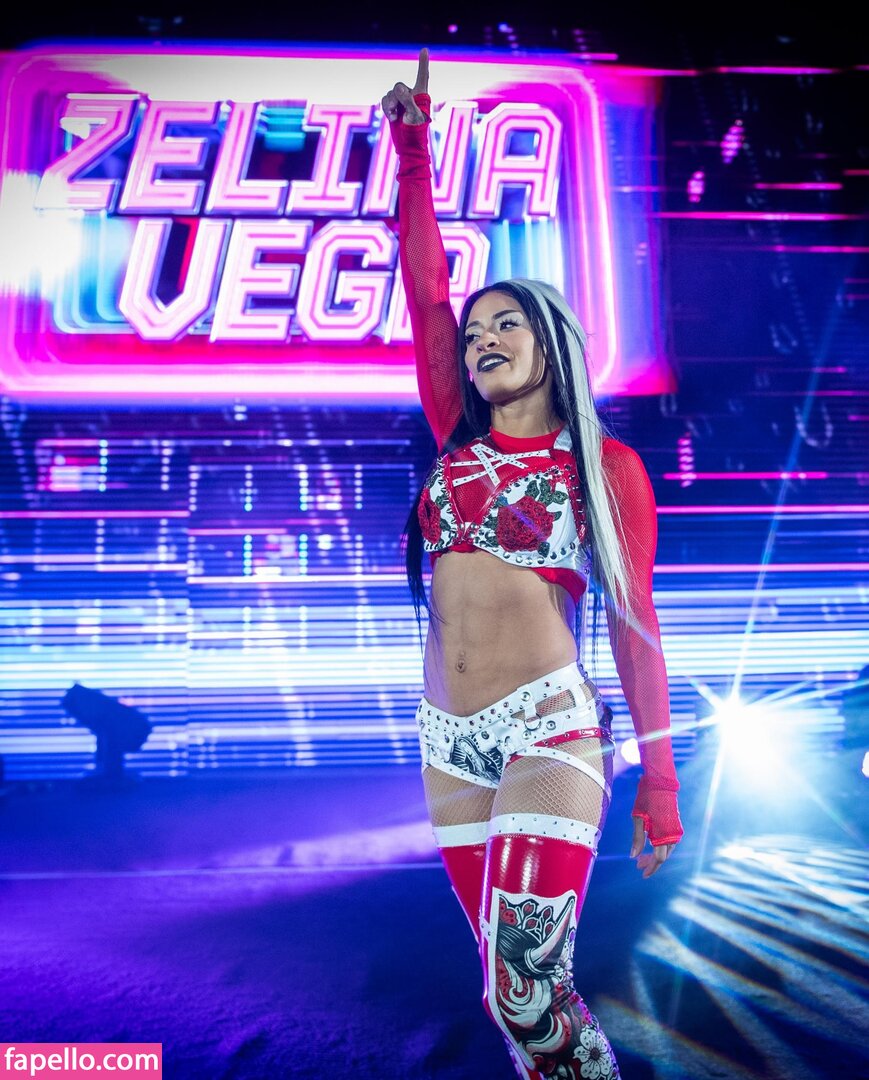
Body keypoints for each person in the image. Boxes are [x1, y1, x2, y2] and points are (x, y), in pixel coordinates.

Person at [383, 50, 683, 1080]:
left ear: (551, 342)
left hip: (547, 729)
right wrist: (411, 150)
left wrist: (659, 782)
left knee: (522, 986)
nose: (479, 339)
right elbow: (425, 286)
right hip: (446, 741)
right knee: (513, 996)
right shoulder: (453, 438)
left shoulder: (603, 465)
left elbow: (634, 626)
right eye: (473, 333)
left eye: (505, 323)